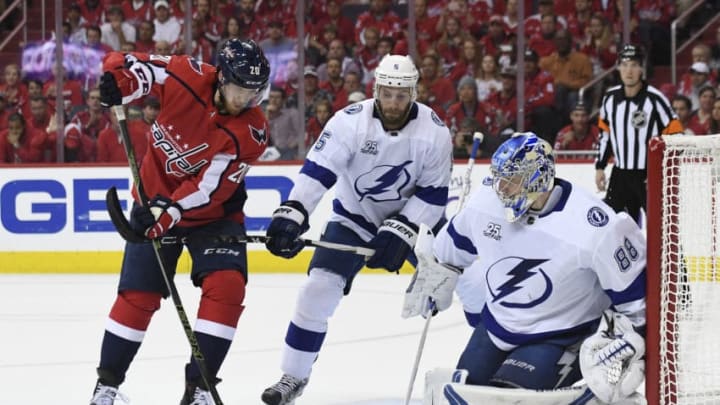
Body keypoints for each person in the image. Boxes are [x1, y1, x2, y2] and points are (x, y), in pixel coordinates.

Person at [260, 54, 453, 405]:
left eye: (401, 94)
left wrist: (404, 226)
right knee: (316, 291)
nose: (393, 102)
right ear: (375, 88)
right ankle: (294, 375)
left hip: (416, 221)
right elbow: (319, 169)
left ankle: (500, 367)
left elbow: (435, 194)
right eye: (387, 93)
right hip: (355, 217)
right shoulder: (348, 122)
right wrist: (295, 210)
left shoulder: (435, 132)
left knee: (468, 281)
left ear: (414, 93)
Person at [89, 38, 271, 405]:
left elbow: (207, 188)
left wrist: (168, 211)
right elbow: (124, 62)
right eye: (240, 90)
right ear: (221, 78)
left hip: (215, 216)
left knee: (227, 287)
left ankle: (200, 389)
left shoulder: (251, 131)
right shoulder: (187, 74)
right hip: (152, 201)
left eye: (254, 92)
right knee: (138, 295)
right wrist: (124, 84)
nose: (247, 100)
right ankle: (106, 385)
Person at [403, 132, 647, 403]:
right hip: (496, 327)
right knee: (466, 395)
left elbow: (634, 298)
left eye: (512, 180)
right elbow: (448, 251)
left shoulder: (595, 227)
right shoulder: (486, 202)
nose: (502, 189)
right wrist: (433, 278)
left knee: (513, 400)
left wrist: (628, 343)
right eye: (499, 178)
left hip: (559, 334)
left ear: (539, 176)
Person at [595, 44, 683, 224]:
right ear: (618, 67)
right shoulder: (610, 99)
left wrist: (661, 170)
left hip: (648, 175)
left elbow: (676, 136)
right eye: (625, 64)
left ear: (642, 69)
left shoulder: (655, 99)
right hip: (620, 174)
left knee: (661, 224)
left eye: (634, 65)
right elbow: (605, 136)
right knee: (615, 225)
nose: (629, 70)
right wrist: (600, 167)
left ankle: (669, 254)